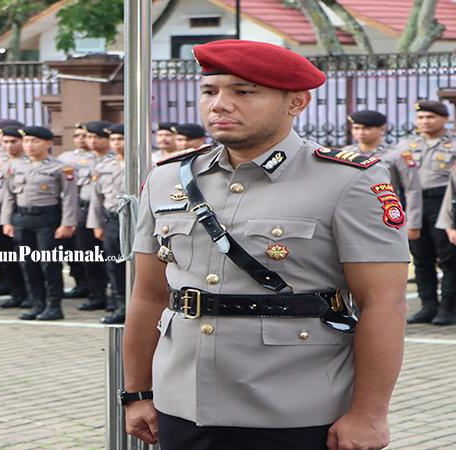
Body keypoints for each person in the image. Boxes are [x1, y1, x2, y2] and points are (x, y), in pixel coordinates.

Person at [123, 40, 409, 449]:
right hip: (182, 403)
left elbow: (384, 302)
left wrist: (369, 413)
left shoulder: (350, 181)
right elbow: (149, 294)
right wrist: (138, 393)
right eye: (210, 91)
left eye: (243, 91)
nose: (219, 104)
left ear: (296, 103)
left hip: (295, 408)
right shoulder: (168, 179)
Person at [1, 126, 78, 320]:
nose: (29, 145)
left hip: (47, 218)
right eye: (26, 141)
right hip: (21, 219)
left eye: (34, 141)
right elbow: (9, 195)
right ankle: (37, 303)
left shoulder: (60, 167)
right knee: (28, 263)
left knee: (48, 263)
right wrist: (6, 221)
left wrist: (67, 223)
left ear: (48, 143)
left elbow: (70, 197)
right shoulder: (16, 166)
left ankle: (54, 305)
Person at [395, 101, 456, 325]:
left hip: (444, 201)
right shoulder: (406, 145)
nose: (425, 122)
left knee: (449, 259)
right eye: (421, 118)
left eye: (430, 117)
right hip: (415, 203)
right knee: (421, 257)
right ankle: (428, 306)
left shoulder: (453, 144)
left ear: (444, 118)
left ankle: (449, 307)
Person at [341, 110, 423, 241]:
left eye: (367, 128)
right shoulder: (345, 153)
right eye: (356, 128)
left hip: (384, 212)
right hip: (350, 212)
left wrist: (413, 224)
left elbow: (412, 189)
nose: (361, 132)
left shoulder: (397, 154)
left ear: (381, 129)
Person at [0, 126, 28, 307]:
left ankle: (31, 293)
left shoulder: (28, 162)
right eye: (5, 141)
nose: (9, 145)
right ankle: (15, 292)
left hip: (20, 212)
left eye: (13, 141)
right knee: (3, 254)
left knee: (23, 256)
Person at [87, 123, 126, 324]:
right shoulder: (103, 167)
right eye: (113, 139)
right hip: (111, 220)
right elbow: (97, 198)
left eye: (121, 139)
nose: (117, 143)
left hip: (134, 220)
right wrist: (96, 224)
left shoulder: (146, 164)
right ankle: (120, 305)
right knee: (113, 264)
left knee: (136, 264)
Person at [57, 122, 93, 299]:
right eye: (77, 135)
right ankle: (80, 283)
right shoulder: (65, 158)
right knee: (71, 248)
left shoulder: (101, 157)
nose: (81, 139)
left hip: (91, 207)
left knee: (92, 250)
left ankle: (96, 286)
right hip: (72, 206)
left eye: (84, 135)